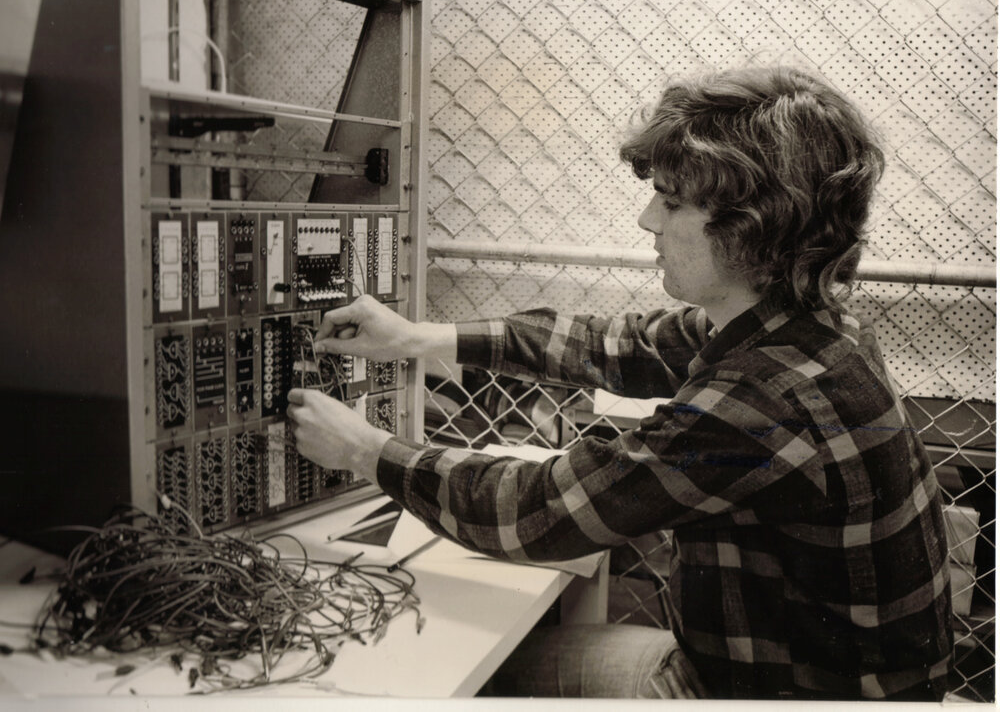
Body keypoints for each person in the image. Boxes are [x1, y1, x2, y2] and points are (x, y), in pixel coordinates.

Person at [287, 66, 953, 700]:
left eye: (670, 202)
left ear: (754, 227)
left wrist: (362, 450)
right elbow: (624, 345)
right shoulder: (809, 326)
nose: (647, 222)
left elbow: (539, 511)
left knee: (476, 678)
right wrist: (422, 338)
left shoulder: (760, 402)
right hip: (789, 673)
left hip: (779, 695)